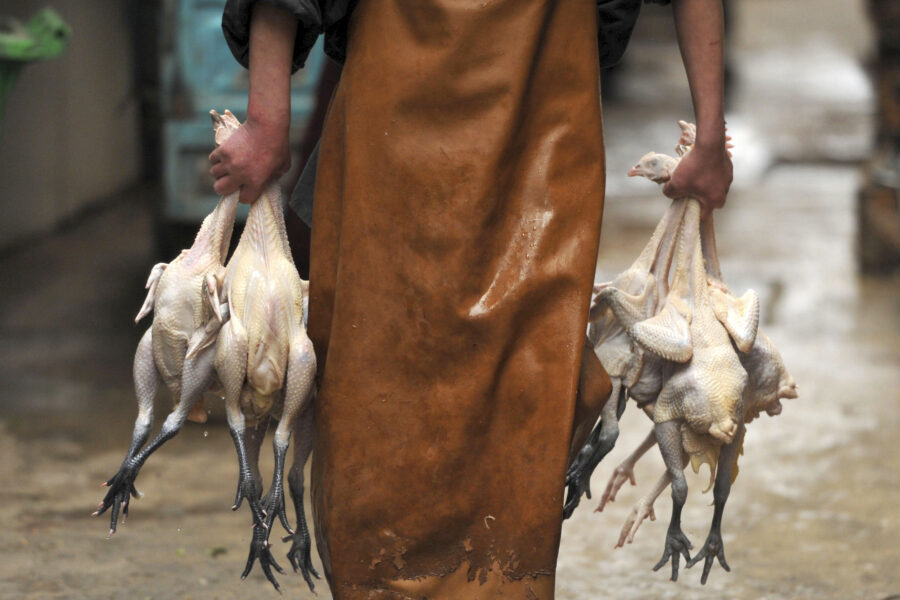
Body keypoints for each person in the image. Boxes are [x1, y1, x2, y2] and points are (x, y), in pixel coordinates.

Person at [209, 1, 733, 598]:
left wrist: (268, 120)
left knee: (402, 420)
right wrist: (709, 137)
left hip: (448, 161)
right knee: (504, 411)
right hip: (513, 160)